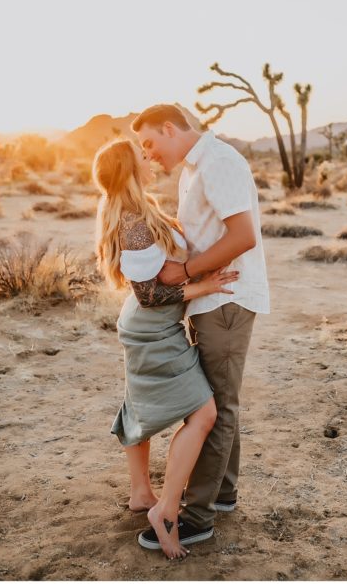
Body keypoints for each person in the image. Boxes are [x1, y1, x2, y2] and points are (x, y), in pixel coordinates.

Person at [131, 104, 270, 550]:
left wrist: (186, 270)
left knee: (215, 408)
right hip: (211, 300)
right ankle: (223, 494)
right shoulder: (195, 168)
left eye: (150, 142)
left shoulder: (218, 162)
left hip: (226, 301)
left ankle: (197, 517)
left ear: (170, 129)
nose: (149, 155)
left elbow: (242, 235)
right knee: (219, 402)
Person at [93, 139, 239, 559]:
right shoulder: (134, 222)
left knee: (139, 403)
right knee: (205, 413)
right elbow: (149, 296)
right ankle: (166, 510)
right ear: (129, 170)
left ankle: (142, 493)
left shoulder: (140, 211)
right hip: (152, 329)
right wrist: (204, 286)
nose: (150, 158)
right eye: (142, 157)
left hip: (150, 329)